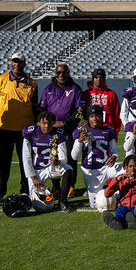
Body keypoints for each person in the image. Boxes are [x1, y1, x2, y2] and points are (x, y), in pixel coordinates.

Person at [0, 53, 38, 204]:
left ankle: (26, 190)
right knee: (2, 162)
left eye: (19, 62)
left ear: (24, 63)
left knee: (26, 162)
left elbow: (35, 108)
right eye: (13, 61)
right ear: (11, 62)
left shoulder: (32, 83)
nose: (16, 64)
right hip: (5, 128)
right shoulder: (1, 80)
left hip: (25, 130)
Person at [39, 63, 84, 199]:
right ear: (55, 73)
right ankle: (56, 185)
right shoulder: (48, 89)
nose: (61, 75)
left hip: (69, 130)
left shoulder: (75, 89)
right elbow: (42, 109)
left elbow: (79, 111)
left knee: (70, 158)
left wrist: (65, 123)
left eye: (64, 72)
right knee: (53, 157)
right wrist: (49, 123)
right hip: (52, 131)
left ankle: (70, 186)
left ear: (68, 73)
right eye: (58, 73)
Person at [21, 111, 74, 213]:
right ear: (38, 123)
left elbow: (64, 157)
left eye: (49, 123)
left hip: (51, 167)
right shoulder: (31, 133)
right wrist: (33, 177)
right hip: (37, 171)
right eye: (44, 123)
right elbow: (26, 157)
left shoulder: (59, 133)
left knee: (68, 169)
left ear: (53, 123)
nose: (47, 126)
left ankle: (63, 202)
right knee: (38, 205)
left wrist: (58, 162)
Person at [71, 105, 121, 209]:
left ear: (101, 117)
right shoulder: (81, 131)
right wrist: (79, 141)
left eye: (97, 116)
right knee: (95, 204)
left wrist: (114, 157)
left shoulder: (108, 130)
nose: (95, 119)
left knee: (124, 170)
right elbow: (74, 157)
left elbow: (114, 151)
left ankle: (117, 196)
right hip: (91, 171)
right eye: (92, 116)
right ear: (88, 118)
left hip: (106, 167)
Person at [83, 68, 121, 135]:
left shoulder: (111, 94)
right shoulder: (86, 94)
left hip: (107, 128)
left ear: (104, 79)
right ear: (93, 79)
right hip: (90, 129)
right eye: (96, 77)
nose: (98, 80)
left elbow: (116, 114)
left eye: (101, 77)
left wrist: (116, 130)